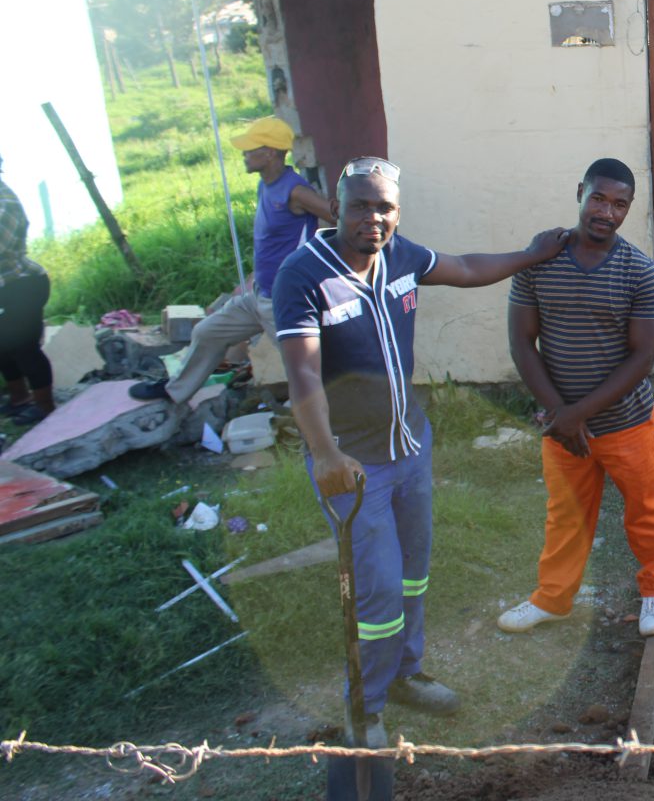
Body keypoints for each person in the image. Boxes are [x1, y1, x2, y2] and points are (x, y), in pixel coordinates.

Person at [273, 156, 567, 746]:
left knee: (411, 576)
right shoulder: (304, 276)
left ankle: (405, 674)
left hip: (410, 447)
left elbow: (462, 267)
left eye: (385, 208)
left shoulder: (402, 256)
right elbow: (302, 376)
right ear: (336, 208)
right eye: (360, 205)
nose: (373, 218)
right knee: (376, 590)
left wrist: (531, 255)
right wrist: (325, 454)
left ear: (397, 213)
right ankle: (366, 707)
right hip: (355, 468)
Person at [497, 158, 654, 639]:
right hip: (561, 425)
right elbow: (521, 342)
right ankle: (553, 599)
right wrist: (561, 415)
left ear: (628, 209)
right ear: (580, 192)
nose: (607, 211)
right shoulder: (539, 261)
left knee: (646, 508)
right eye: (599, 198)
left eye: (619, 204)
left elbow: (643, 359)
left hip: (626, 423)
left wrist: (575, 414)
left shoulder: (641, 273)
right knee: (566, 514)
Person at [132, 116, 331, 403]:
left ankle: (332, 426)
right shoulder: (266, 185)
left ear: (271, 153)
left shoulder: (296, 191)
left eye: (251, 149)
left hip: (284, 301)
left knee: (306, 370)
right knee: (206, 331)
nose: (244, 154)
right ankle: (174, 393)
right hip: (258, 294)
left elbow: (340, 220)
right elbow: (273, 245)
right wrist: (251, 279)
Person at [0, 157, 54, 426]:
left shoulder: (4, 205)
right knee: (2, 345)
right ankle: (19, 398)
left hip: (22, 285)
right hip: (4, 284)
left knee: (24, 347)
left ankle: (45, 406)